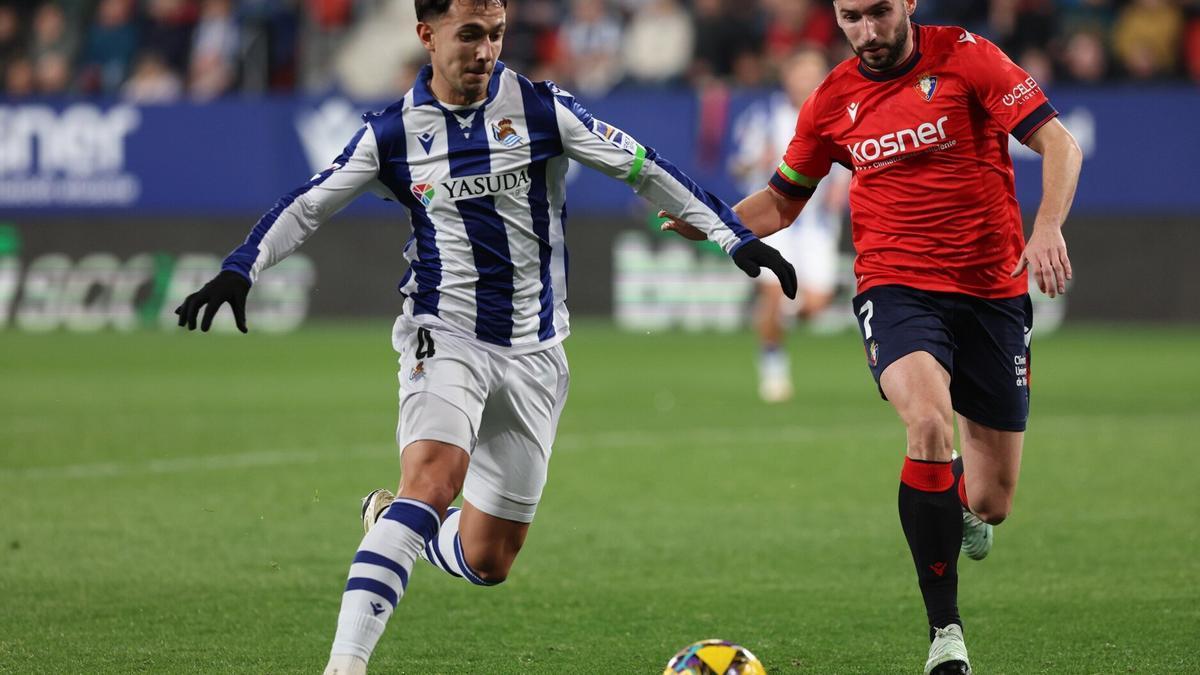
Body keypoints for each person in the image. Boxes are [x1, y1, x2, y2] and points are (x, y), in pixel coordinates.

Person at [173, 0, 796, 672]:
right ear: (426, 35)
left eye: (496, 35)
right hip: (445, 332)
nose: (485, 51)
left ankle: (393, 518)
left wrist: (734, 237)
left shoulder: (540, 110)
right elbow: (309, 204)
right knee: (434, 479)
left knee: (489, 559)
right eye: (469, 35)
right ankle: (345, 663)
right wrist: (242, 267)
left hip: (536, 352)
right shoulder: (392, 133)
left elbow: (643, 167)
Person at [662, 1, 1081, 672]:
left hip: (992, 293)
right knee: (927, 426)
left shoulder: (967, 57)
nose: (866, 31)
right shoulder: (833, 99)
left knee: (991, 501)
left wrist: (1049, 224)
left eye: (879, 12)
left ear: (907, 3)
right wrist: (713, 220)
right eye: (851, 17)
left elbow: (1059, 140)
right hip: (897, 289)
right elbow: (781, 199)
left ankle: (959, 502)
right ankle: (945, 631)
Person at [729, 48, 851, 403]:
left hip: (817, 226)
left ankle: (773, 324)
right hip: (776, 222)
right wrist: (756, 161)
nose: (808, 80)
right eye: (802, 72)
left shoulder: (836, 115)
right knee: (774, 292)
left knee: (815, 304)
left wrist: (843, 192)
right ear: (788, 77)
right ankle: (773, 368)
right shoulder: (766, 116)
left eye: (815, 72)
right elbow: (736, 166)